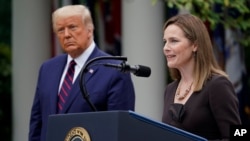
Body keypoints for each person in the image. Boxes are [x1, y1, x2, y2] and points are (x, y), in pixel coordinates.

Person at [29, 5, 135, 141]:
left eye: (72, 27)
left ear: (89, 30)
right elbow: (37, 123)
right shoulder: (47, 69)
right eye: (60, 30)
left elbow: (120, 131)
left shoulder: (115, 70)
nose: (66, 34)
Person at [161, 13, 241, 140]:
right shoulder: (169, 90)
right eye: (165, 42)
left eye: (174, 41)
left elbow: (239, 134)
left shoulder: (217, 85)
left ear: (195, 45)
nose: (165, 48)